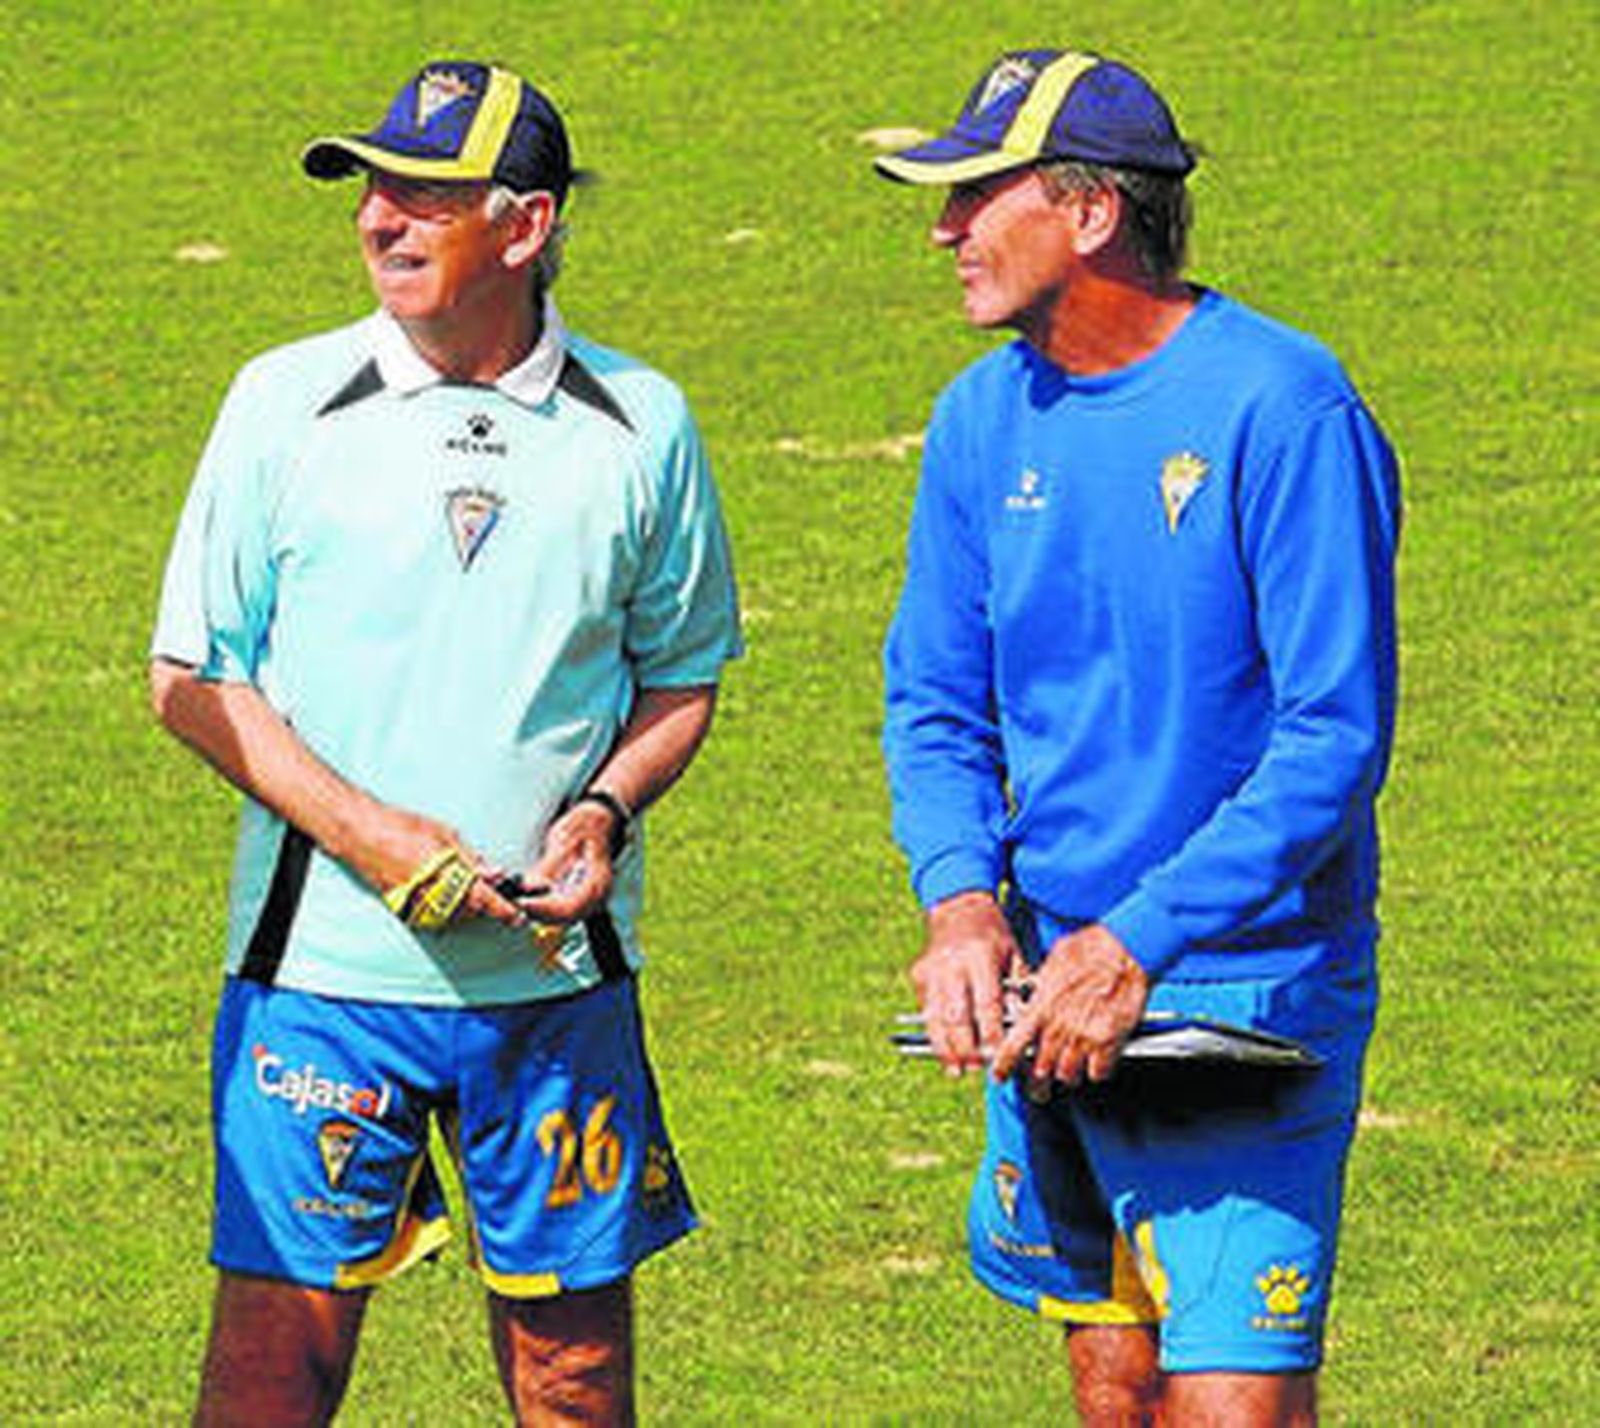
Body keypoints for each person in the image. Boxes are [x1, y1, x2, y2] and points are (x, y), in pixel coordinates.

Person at [149, 59, 740, 1426]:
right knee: (273, 1373)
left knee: (573, 1376)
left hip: (553, 988)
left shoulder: (640, 424)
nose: (379, 218)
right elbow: (190, 679)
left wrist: (604, 811)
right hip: (318, 980)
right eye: (373, 188)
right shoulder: (281, 402)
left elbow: (680, 679)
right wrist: (373, 840)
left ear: (524, 227)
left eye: (425, 195)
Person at [874, 48, 1399, 1426]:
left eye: (976, 196)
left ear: (1091, 212)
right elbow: (936, 700)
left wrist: (1138, 940)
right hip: (1051, 990)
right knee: (1114, 1390)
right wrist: (961, 902)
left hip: (1244, 995)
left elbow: (1332, 737)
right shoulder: (980, 419)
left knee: (1228, 1409)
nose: (944, 230)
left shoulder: (1285, 408)